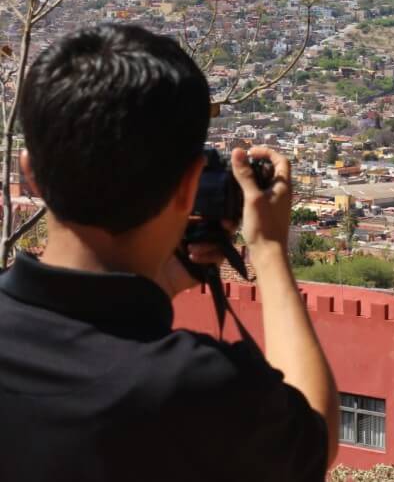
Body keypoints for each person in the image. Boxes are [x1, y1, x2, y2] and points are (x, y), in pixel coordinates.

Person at [0, 24, 337, 481]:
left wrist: (163, 281)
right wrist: (269, 248)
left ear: (30, 176)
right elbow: (314, 434)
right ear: (189, 185)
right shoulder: (194, 390)